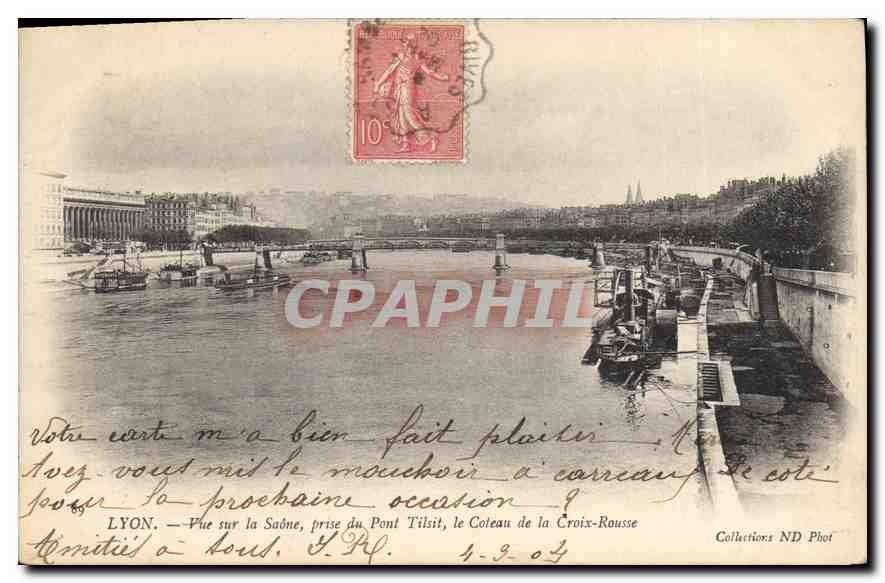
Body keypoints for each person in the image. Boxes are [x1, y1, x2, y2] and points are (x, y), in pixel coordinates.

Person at [374, 33, 450, 153]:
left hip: (408, 88)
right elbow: (389, 72)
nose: (407, 47)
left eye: (409, 45)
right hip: (399, 88)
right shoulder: (401, 58)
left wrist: (442, 77)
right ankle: (406, 145)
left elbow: (429, 72)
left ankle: (431, 136)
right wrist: (379, 83)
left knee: (408, 114)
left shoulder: (416, 61)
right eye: (406, 45)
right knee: (401, 115)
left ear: (413, 47)